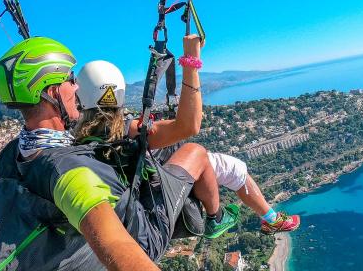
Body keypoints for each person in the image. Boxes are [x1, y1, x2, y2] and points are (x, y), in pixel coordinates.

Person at [0, 36, 236, 271]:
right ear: (52, 91)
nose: (77, 87)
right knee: (195, 152)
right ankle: (216, 220)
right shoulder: (67, 172)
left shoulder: (11, 156)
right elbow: (115, 244)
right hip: (142, 237)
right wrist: (191, 60)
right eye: (70, 79)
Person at [74, 58, 300, 236]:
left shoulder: (76, 137)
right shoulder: (130, 129)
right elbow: (188, 125)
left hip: (133, 188)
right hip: (157, 182)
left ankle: (267, 219)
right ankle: (223, 218)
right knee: (229, 166)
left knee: (225, 165)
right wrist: (191, 62)